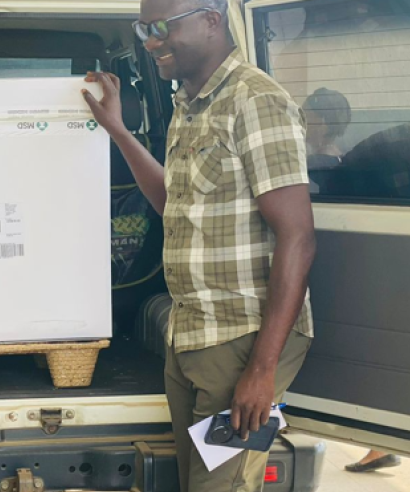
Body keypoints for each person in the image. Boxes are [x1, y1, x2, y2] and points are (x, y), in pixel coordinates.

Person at [82, 0, 315, 491]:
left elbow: (297, 236)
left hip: (242, 339)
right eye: (143, 29)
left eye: (161, 27)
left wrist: (262, 371)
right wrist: (119, 132)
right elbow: (174, 202)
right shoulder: (189, 105)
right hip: (192, 336)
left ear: (211, 20)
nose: (150, 42)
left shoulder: (256, 100)